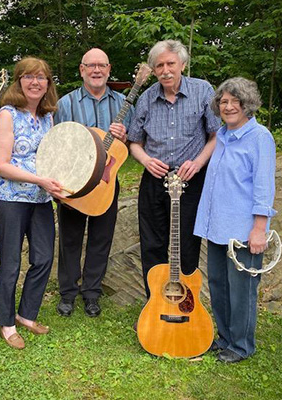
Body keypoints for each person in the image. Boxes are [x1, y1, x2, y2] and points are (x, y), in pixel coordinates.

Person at [128, 40, 221, 300]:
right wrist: (146, 160)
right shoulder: (147, 98)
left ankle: (186, 303)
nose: (166, 70)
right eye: (159, 65)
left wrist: (198, 162)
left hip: (190, 179)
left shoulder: (203, 91)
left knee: (187, 244)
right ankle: (155, 304)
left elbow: (217, 136)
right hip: (155, 179)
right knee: (152, 244)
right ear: (154, 70)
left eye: (171, 63)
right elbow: (133, 142)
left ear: (183, 64)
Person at [194, 77, 276, 363]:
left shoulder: (259, 137)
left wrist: (258, 229)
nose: (228, 106)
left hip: (243, 230)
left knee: (242, 291)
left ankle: (241, 346)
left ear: (247, 104)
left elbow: (264, 186)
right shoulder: (222, 135)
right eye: (223, 101)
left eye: (234, 101)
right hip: (217, 226)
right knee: (218, 285)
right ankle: (225, 338)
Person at [0, 57, 64, 349]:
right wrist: (41, 180)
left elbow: (52, 158)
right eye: (29, 77)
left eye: (42, 77)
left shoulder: (48, 116)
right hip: (10, 197)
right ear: (19, 81)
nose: (36, 82)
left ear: (48, 84)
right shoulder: (8, 114)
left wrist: (56, 185)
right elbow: (0, 164)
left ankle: (26, 314)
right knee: (10, 262)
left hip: (41, 198)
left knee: (44, 257)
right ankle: (6, 323)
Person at [55, 48, 133, 318]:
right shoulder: (66, 103)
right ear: (82, 69)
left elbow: (132, 145)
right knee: (70, 238)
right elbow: (56, 143)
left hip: (108, 181)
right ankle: (67, 293)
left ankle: (91, 293)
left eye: (101, 65)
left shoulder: (124, 103)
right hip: (73, 182)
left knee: (101, 238)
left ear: (109, 69)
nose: (96, 70)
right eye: (91, 66)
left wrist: (125, 136)